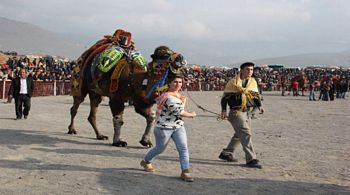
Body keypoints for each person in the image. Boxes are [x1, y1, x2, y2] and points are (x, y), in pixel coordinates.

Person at [140, 73, 197, 182]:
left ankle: (185, 171)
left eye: (180, 82)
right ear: (169, 83)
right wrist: (192, 115)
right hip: (164, 127)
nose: (178, 84)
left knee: (183, 148)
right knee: (159, 149)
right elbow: (180, 112)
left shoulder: (177, 95)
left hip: (178, 126)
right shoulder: (169, 97)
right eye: (175, 82)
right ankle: (146, 161)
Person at [218, 62, 264, 169]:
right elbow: (225, 98)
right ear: (241, 70)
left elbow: (255, 95)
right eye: (247, 69)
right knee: (246, 134)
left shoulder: (252, 82)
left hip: (247, 111)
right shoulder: (233, 82)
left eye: (251, 69)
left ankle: (226, 153)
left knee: (239, 134)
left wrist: (260, 106)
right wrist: (224, 110)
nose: (250, 72)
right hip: (235, 112)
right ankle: (251, 159)